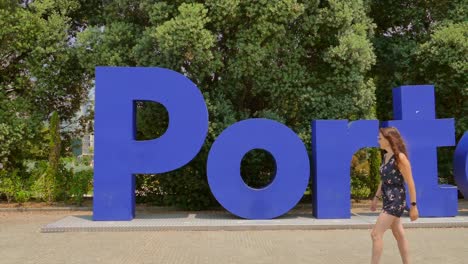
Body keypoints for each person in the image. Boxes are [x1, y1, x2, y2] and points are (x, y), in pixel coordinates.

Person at [370, 127, 419, 264]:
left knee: (375, 234)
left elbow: (410, 183)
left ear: (388, 139)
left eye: (380, 138)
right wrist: (376, 197)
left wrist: (413, 206)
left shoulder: (400, 158)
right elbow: (383, 179)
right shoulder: (386, 156)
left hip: (396, 200)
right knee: (399, 234)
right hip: (387, 199)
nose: (378, 140)